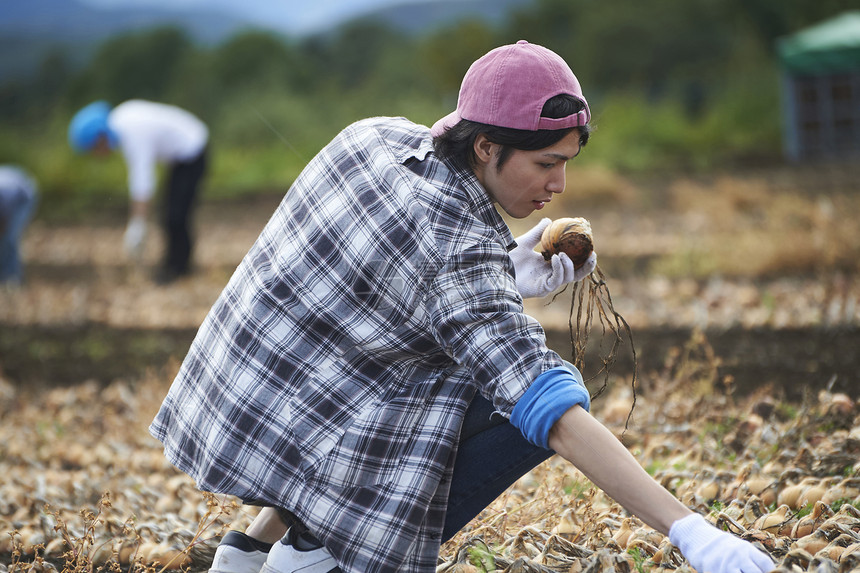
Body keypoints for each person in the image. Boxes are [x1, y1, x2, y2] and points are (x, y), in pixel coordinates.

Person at [149, 41, 774, 573]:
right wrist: (691, 531)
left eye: (566, 163)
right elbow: (547, 406)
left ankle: (246, 549)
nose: (559, 186)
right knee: (517, 404)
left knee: (418, 355)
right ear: (485, 148)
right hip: (305, 422)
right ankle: (319, 555)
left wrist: (501, 270)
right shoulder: (460, 249)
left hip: (236, 401)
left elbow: (391, 282)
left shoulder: (373, 137)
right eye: (546, 163)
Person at [68, 99, 209, 284]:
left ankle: (179, 269)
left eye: (94, 148)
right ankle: (175, 266)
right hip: (180, 157)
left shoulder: (129, 130)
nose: (97, 154)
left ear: (100, 136)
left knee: (175, 215)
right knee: (169, 212)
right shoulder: (122, 121)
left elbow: (142, 179)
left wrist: (138, 223)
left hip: (192, 150)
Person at [0, 165, 38, 288]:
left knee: (9, 237)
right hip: (11, 181)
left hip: (23, 194)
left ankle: (11, 277)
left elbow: (3, 223)